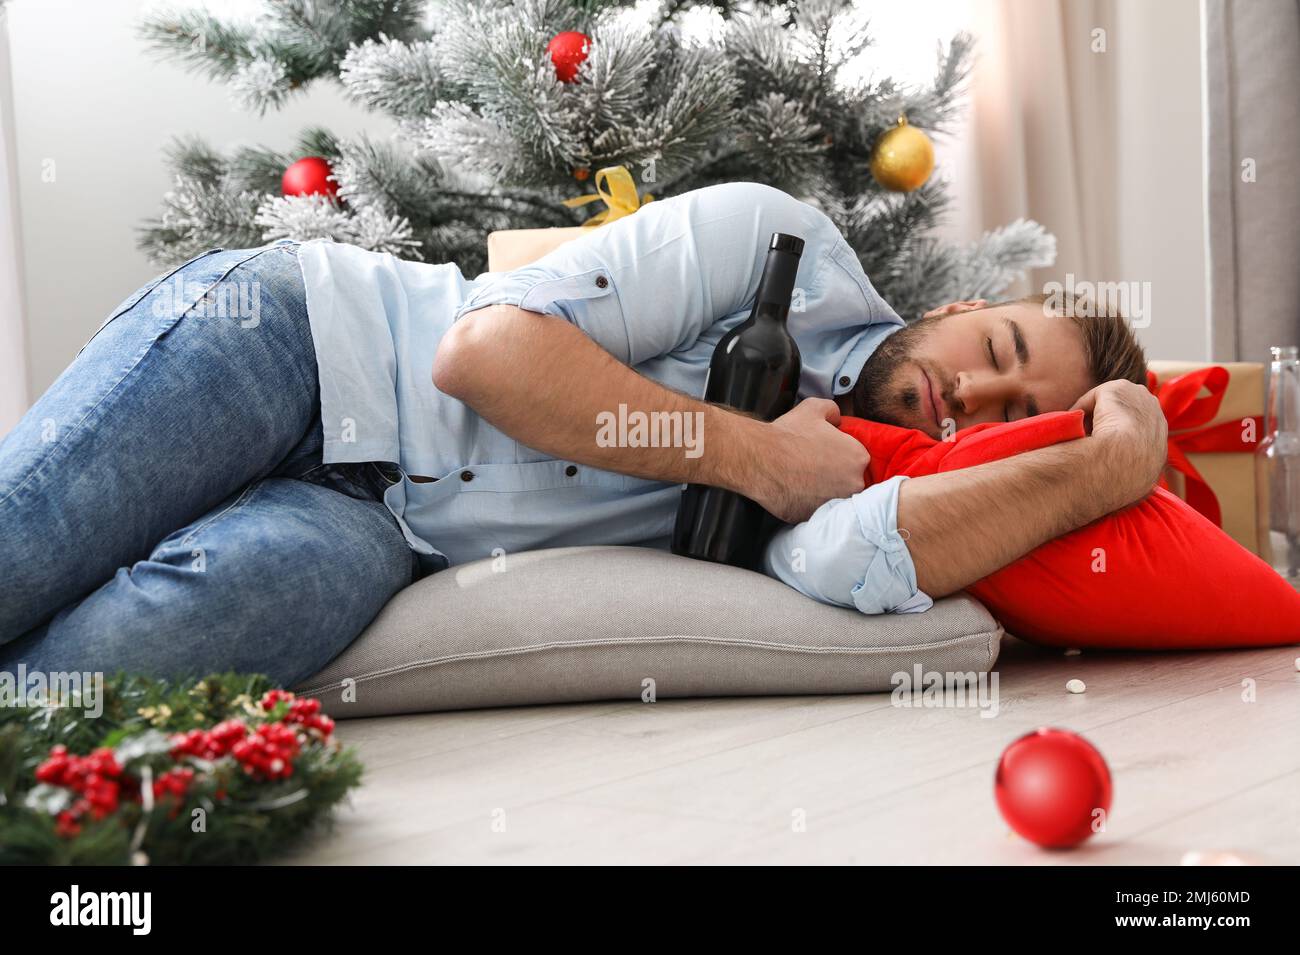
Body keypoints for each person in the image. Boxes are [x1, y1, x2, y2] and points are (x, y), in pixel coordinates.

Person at [0, 182, 1166, 685]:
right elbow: (481, 353)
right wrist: (758, 453)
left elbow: (869, 561)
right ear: (962, 307)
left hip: (377, 525)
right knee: (24, 545)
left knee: (131, 664)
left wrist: (1110, 462)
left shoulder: (863, 483)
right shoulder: (775, 244)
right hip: (304, 345)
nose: (976, 393)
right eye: (997, 350)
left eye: (1017, 416)